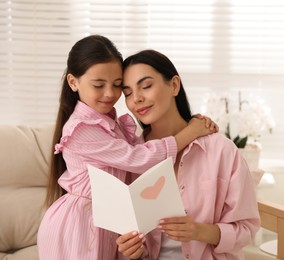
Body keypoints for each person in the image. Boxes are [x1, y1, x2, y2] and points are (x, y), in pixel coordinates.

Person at [37, 35, 217, 260]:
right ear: (73, 82)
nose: (110, 94)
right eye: (99, 85)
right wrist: (190, 132)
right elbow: (138, 158)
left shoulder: (110, 123)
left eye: (116, 86)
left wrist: (191, 123)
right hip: (79, 224)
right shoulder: (81, 129)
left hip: (105, 221)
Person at [116, 50, 260, 259]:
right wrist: (133, 250)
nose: (136, 99)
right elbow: (133, 234)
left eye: (146, 86)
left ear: (174, 85)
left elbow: (248, 228)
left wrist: (200, 231)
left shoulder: (221, 151)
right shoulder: (131, 157)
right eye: (128, 93)